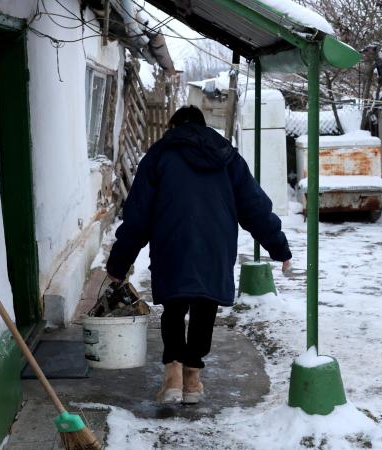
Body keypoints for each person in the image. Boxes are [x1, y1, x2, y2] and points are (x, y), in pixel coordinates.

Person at [105, 105, 291, 404]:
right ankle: (193, 380)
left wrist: (119, 263)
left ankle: (173, 377)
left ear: (174, 127)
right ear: (204, 127)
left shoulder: (160, 156)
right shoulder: (228, 157)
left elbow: (138, 216)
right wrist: (279, 246)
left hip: (171, 244)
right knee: (205, 307)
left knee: (174, 307)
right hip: (215, 247)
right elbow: (255, 207)